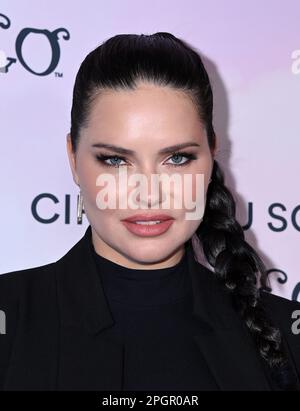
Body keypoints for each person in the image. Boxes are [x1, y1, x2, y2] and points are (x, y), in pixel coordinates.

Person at [0, 32, 299, 391]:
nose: (149, 194)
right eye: (115, 160)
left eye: (176, 158)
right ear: (74, 160)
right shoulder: (11, 317)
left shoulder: (285, 333)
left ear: (211, 154)